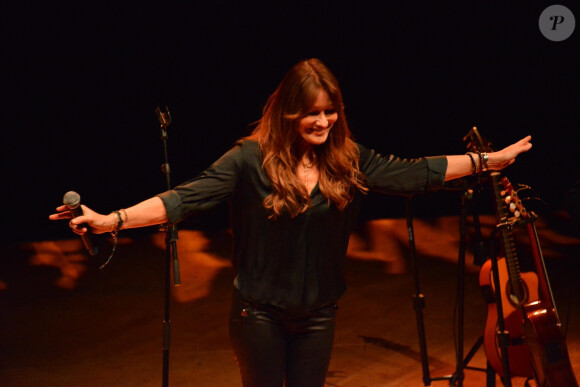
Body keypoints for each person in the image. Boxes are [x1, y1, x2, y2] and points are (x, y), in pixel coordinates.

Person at [50, 58, 532, 387]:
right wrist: (111, 220)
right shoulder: (249, 159)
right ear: (288, 112)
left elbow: (415, 171)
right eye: (312, 113)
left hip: (319, 313)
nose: (323, 122)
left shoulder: (348, 159)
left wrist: (486, 160)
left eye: (330, 111)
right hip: (258, 313)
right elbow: (181, 200)